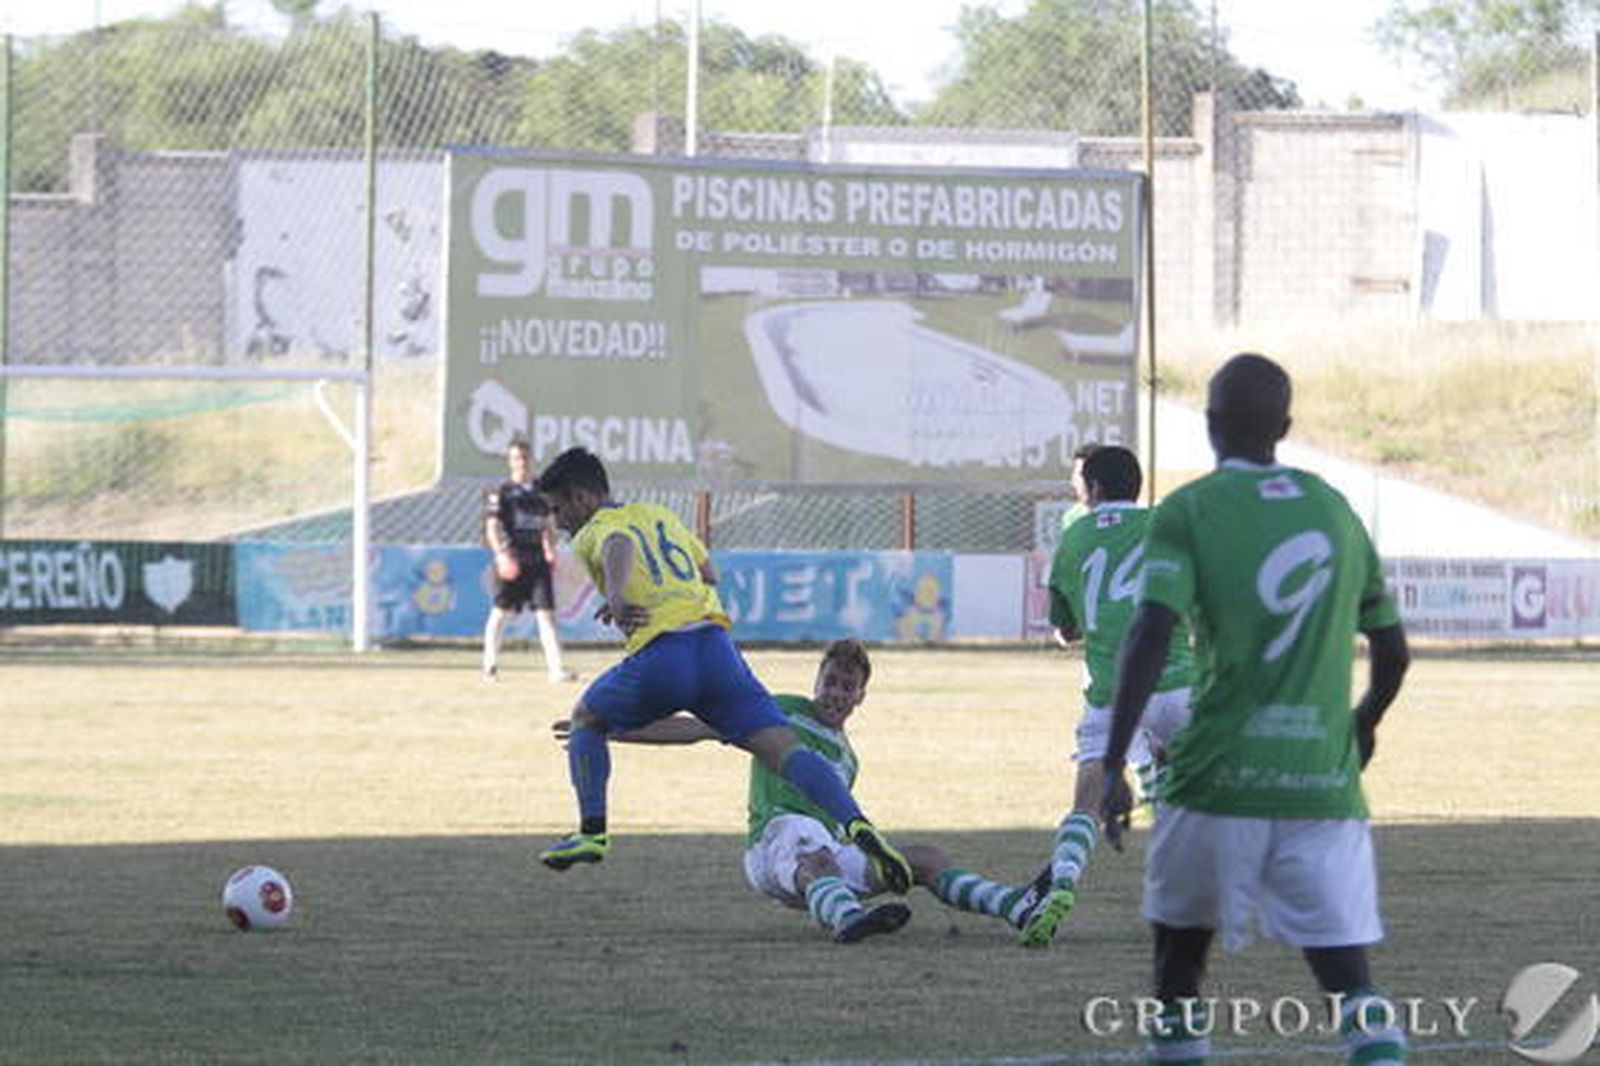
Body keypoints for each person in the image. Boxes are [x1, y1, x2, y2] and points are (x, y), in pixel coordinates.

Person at [1096, 353, 1411, 1065]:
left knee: (1178, 976)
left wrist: (1114, 761)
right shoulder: (1333, 508)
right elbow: (1393, 654)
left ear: (1209, 425)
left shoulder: (1190, 510)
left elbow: (1150, 633)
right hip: (1321, 789)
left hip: (1215, 784)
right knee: (1354, 990)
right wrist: (1362, 725)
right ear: (1286, 426)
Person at [532, 446, 915, 895]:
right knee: (787, 751)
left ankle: (591, 831)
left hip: (663, 655)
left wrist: (617, 594)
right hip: (718, 652)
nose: (558, 522)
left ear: (581, 497)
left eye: (559, 509)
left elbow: (620, 546)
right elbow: (707, 572)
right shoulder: (660, 516)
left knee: (586, 718)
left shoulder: (597, 528)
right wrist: (650, 588)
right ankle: (859, 826)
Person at [561, 638, 1073, 946]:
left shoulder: (849, 758)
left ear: (861, 697)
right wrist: (610, 728)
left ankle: (1016, 906)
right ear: (817, 680)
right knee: (810, 841)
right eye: (830, 681)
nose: (835, 693)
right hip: (772, 845)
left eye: (847, 687)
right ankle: (847, 919)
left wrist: (880, 859)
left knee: (926, 857)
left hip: (821, 852)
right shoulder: (778, 710)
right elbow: (698, 727)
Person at [1038, 444, 1194, 945]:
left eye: (1079, 483)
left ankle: (1061, 883)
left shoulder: (1074, 535)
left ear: (1096, 489)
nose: (1075, 490)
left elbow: (1065, 629)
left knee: (1086, 802)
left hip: (1110, 695)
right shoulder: (1169, 525)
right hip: (1178, 685)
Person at [482, 438, 577, 684]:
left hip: (537, 562)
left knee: (546, 615)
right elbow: (492, 528)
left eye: (524, 457)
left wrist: (550, 547)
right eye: (516, 458)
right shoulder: (501, 493)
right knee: (500, 613)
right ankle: (489, 666)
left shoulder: (541, 492)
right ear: (509, 461)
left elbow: (549, 526)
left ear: (530, 460)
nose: (521, 463)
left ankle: (556, 671)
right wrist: (501, 554)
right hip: (513, 560)